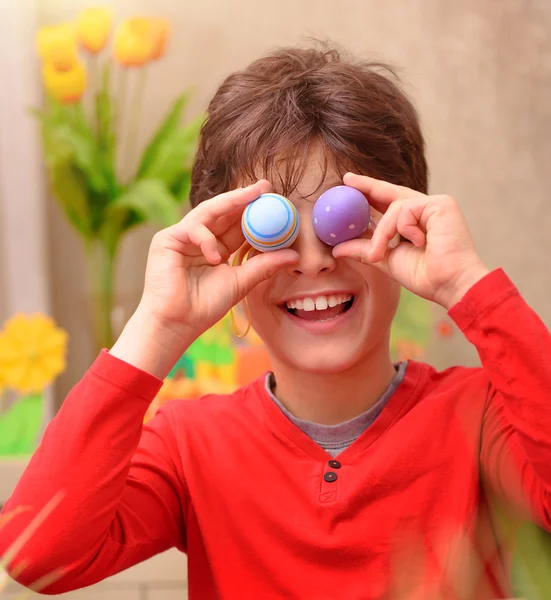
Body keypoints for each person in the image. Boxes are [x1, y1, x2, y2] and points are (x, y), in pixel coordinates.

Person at [1, 44, 550, 600]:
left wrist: (467, 286)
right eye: (276, 230)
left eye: (346, 220)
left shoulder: (480, 418)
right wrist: (158, 325)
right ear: (227, 249)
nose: (314, 260)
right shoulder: (190, 445)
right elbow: (36, 553)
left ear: (402, 231)